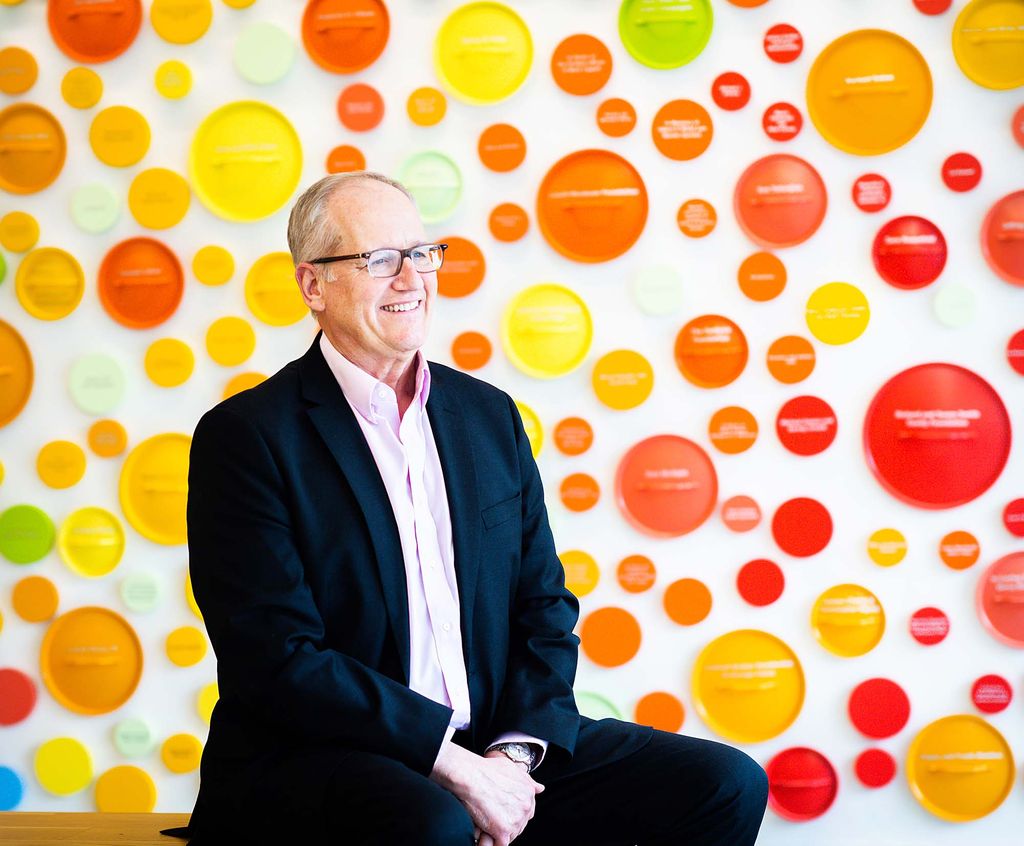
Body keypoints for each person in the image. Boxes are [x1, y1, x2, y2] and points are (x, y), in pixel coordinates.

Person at [179, 172, 768, 845]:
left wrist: (510, 760)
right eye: (378, 260)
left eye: (421, 253)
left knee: (724, 784)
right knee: (435, 822)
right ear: (313, 285)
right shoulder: (248, 437)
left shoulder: (487, 416)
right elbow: (278, 659)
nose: (410, 279)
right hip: (325, 755)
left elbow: (544, 608)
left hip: (493, 743)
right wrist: (449, 764)